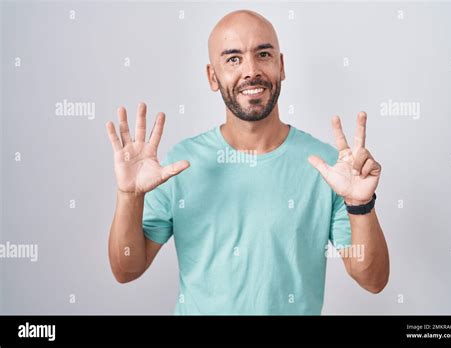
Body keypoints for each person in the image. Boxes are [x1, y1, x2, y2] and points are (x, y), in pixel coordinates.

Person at [105, 9, 389, 315]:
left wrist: (360, 205)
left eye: (263, 54)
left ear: (281, 66)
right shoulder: (179, 165)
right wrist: (129, 197)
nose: (251, 70)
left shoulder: (328, 168)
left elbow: (373, 280)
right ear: (212, 77)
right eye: (233, 59)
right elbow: (127, 270)